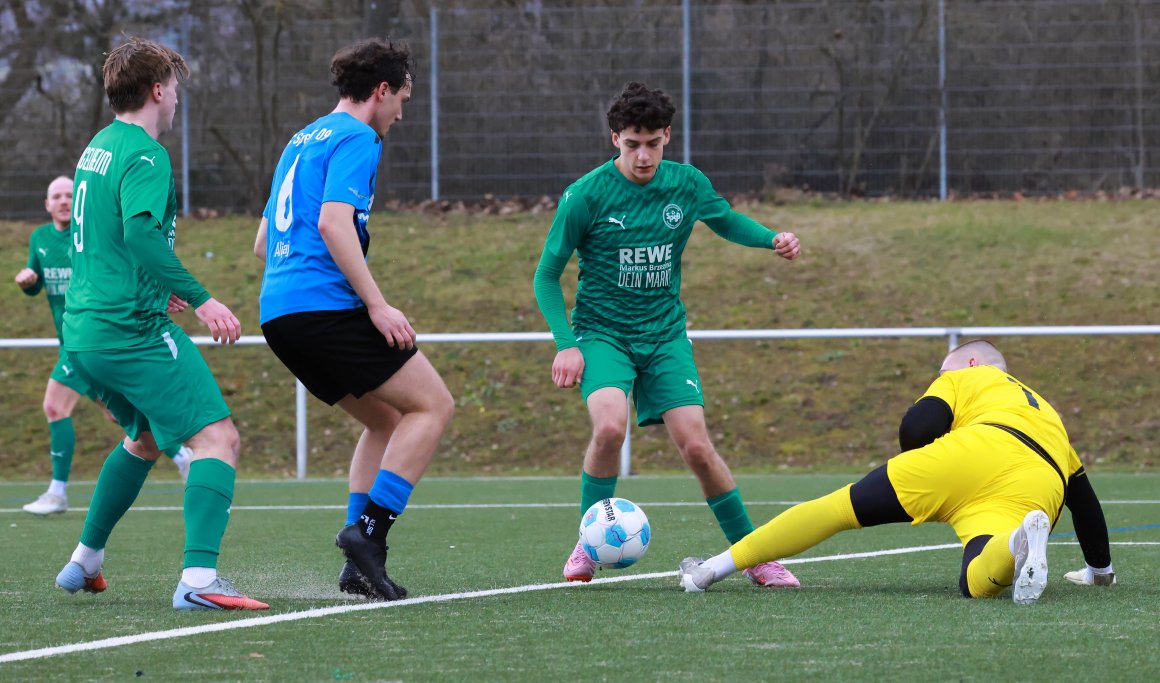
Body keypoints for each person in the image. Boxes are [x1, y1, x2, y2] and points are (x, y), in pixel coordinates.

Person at [533, 82, 803, 587]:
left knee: (697, 447)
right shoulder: (585, 195)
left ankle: (755, 555)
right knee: (610, 428)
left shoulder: (686, 184)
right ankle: (589, 544)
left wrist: (772, 239)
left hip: (664, 336)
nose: (643, 155)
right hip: (603, 334)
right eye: (632, 143)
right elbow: (546, 276)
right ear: (615, 138)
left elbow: (725, 221)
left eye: (653, 143)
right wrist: (566, 344)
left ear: (667, 138)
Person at [52, 37, 267, 611]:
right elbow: (140, 234)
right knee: (218, 438)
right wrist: (202, 299)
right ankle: (199, 582)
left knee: (144, 440)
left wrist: (157, 285)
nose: (176, 102)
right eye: (174, 90)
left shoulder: (97, 147)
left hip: (86, 332)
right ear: (156, 90)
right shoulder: (147, 153)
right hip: (131, 331)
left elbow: (107, 241)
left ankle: (85, 560)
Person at [679, 340, 1117, 604]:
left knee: (837, 509)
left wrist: (920, 466)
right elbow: (1085, 502)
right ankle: (1015, 544)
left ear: (970, 365)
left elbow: (918, 426)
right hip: (1039, 485)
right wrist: (1100, 570)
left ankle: (709, 572)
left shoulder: (969, 377)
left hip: (973, 450)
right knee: (975, 582)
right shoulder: (1048, 412)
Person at [253, 39, 454, 601]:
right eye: (402, 100)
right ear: (382, 90)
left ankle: (357, 565)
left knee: (385, 421)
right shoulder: (358, 137)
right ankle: (368, 534)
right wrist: (375, 304)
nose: (401, 114)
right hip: (324, 307)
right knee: (434, 404)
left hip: (279, 313)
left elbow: (263, 241)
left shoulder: (301, 139)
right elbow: (334, 224)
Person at [17, 177, 192, 516]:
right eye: (57, 196)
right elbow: (35, 283)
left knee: (55, 407)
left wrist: (158, 290)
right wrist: (27, 282)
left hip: (91, 335)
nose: (64, 200)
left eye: (70, 194)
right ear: (47, 204)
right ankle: (183, 455)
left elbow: (129, 262)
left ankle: (57, 493)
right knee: (118, 413)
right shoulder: (39, 238)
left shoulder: (93, 233)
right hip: (72, 339)